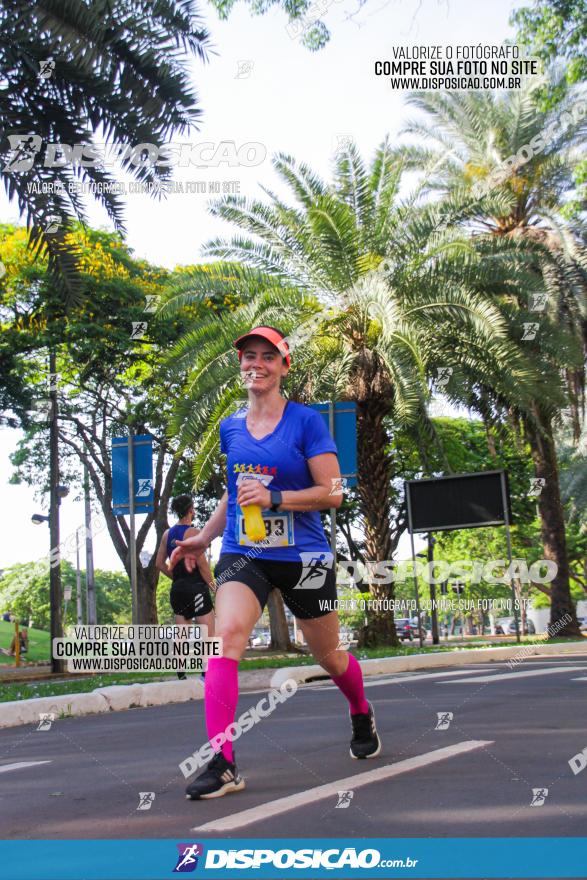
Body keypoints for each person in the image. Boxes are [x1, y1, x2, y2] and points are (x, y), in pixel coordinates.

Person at [170, 325, 380, 800]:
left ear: (284, 366)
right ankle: (222, 762)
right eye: (249, 355)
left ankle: (361, 709)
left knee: (328, 656)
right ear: (240, 364)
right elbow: (233, 492)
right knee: (224, 639)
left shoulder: (306, 422)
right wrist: (203, 537)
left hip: (303, 554)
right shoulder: (229, 427)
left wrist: (276, 497)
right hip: (246, 552)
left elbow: (334, 492)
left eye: (268, 356)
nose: (256, 363)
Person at [156, 495, 216, 679]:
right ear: (191, 510)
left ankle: (181, 674)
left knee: (182, 633)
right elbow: (203, 566)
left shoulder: (167, 534)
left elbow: (159, 563)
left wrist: (177, 577)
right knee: (207, 632)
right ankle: (205, 674)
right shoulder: (194, 533)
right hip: (196, 587)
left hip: (178, 589)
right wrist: (215, 586)